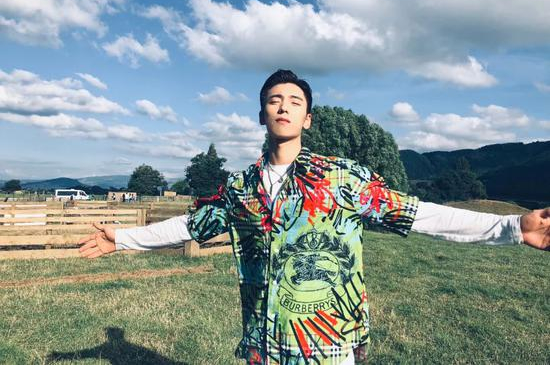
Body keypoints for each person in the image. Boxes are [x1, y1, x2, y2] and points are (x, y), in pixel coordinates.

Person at [78, 70, 549, 365]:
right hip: (265, 336)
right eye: (274, 100)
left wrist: (511, 227)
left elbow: (416, 215)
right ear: (262, 115)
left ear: (307, 119)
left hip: (328, 339)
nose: (283, 106)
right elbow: (191, 225)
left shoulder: (341, 179)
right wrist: (123, 238)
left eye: (294, 101)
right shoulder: (241, 187)